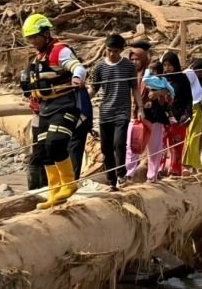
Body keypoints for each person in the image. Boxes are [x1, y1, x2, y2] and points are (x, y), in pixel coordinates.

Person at [20, 14, 87, 209]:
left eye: (35, 37)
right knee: (43, 152)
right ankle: (54, 193)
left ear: (46, 33)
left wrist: (76, 78)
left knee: (56, 143)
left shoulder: (60, 51)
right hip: (45, 108)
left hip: (64, 104)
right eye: (29, 38)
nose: (32, 42)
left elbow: (78, 67)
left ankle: (69, 182)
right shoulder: (37, 57)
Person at [90, 34, 144, 190]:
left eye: (115, 51)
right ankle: (111, 180)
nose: (111, 54)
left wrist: (140, 108)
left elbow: (134, 88)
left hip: (122, 111)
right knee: (106, 148)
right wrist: (81, 100)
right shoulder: (99, 67)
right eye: (109, 50)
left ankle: (121, 174)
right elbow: (94, 89)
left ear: (121, 51)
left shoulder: (128, 66)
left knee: (119, 143)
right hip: (105, 111)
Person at [125, 61, 171, 183]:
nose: (135, 62)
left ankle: (152, 177)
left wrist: (160, 92)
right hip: (138, 116)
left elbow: (168, 95)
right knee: (133, 145)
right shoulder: (134, 74)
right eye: (132, 59)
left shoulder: (161, 81)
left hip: (155, 117)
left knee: (154, 148)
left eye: (137, 59)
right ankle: (128, 175)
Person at [161, 52, 191, 177]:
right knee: (161, 146)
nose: (167, 68)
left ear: (176, 65)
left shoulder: (183, 79)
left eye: (170, 65)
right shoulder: (161, 80)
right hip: (163, 117)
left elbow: (189, 98)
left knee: (176, 146)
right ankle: (159, 170)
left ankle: (175, 170)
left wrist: (186, 114)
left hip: (179, 117)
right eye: (165, 65)